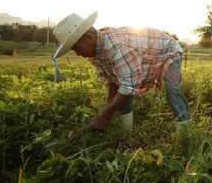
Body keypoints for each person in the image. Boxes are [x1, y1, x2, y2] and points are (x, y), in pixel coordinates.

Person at [52, 12, 191, 138]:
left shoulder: (116, 47)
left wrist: (105, 115)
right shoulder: (95, 54)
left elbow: (128, 87)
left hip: (168, 51)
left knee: (172, 91)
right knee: (122, 94)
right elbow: (113, 82)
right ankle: (126, 135)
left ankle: (185, 138)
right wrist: (107, 110)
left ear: (88, 37)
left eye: (76, 48)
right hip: (145, 55)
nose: (78, 54)